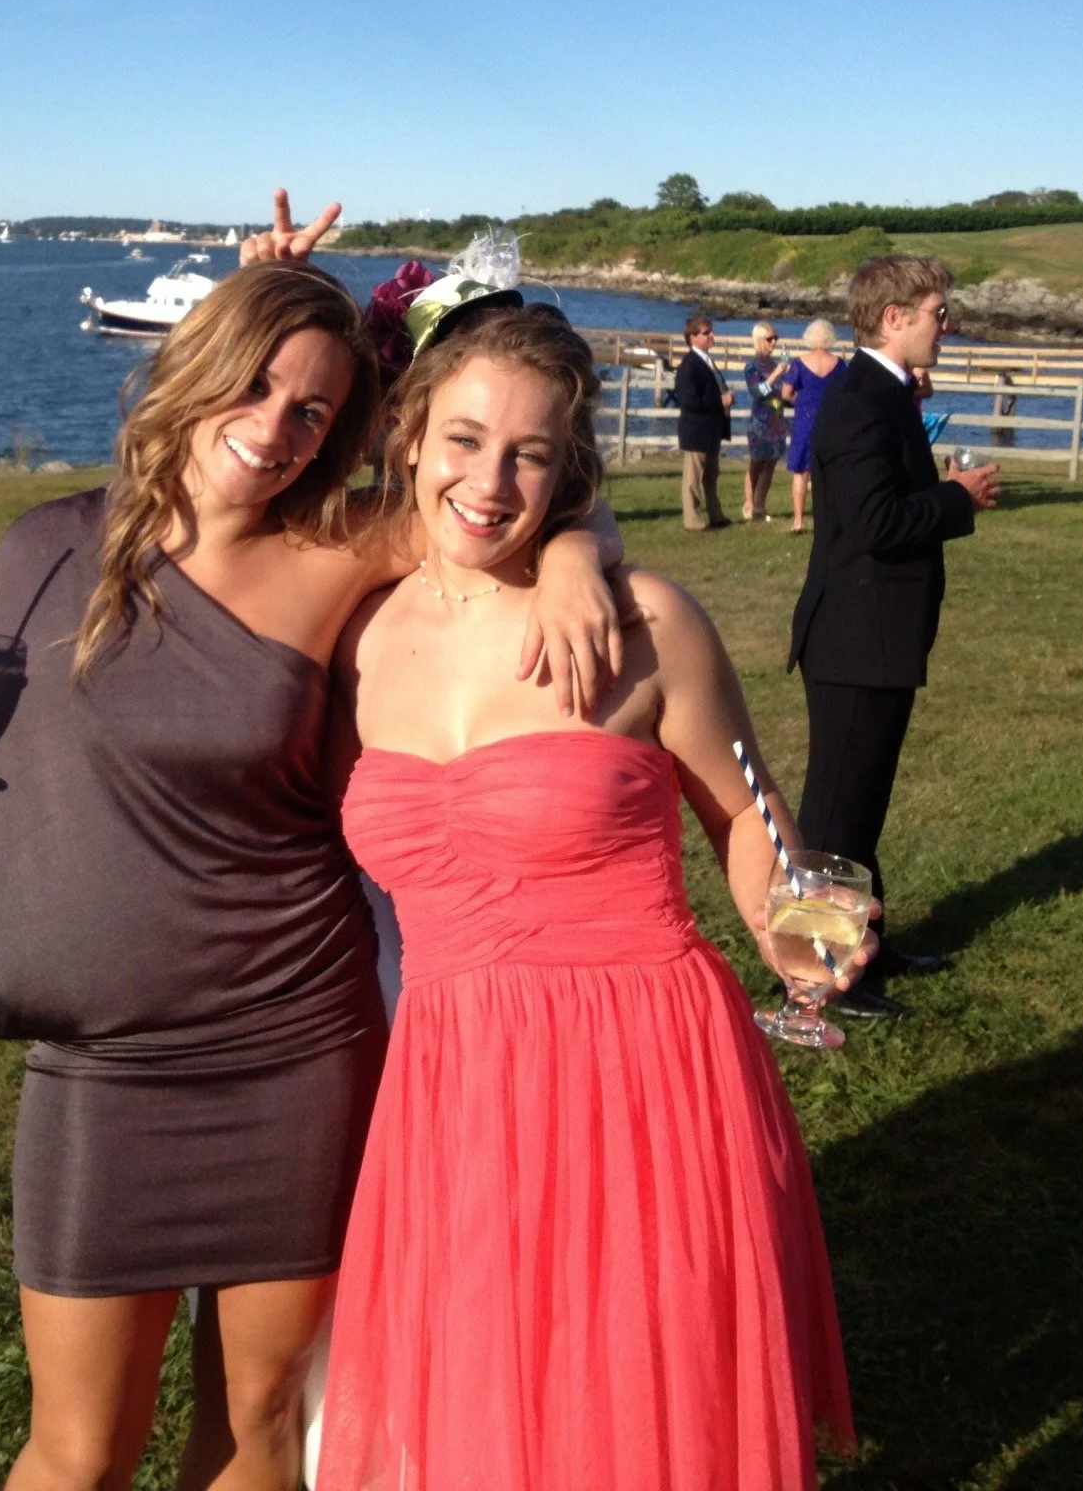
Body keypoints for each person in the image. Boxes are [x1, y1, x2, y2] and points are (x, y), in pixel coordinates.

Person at [0, 208, 625, 1491]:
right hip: (100, 1067)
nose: (276, 426)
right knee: (73, 1449)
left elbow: (502, 501)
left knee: (260, 1427)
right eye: (258, 385)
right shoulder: (46, 548)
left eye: (317, 413)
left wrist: (574, 566)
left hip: (292, 1048)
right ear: (193, 369)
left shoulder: (338, 546)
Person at [317, 300, 866, 1491]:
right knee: (488, 1393)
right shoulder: (356, 626)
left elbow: (748, 816)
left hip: (645, 1062)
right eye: (465, 438)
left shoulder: (645, 620)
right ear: (410, 433)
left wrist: (791, 927)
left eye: (532, 452)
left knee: (646, 1398)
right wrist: (578, 541)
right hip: (456, 1072)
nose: (491, 478)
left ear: (570, 464)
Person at [789, 256, 998, 1022]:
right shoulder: (858, 400)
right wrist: (955, 497)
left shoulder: (887, 393)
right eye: (939, 312)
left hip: (878, 637)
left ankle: (869, 944)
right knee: (837, 815)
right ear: (894, 317)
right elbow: (876, 524)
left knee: (863, 807)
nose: (948, 325)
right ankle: (821, 972)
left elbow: (881, 502)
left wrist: (937, 488)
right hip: (853, 637)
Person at [781, 319, 846, 534]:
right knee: (826, 473)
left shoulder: (799, 364)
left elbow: (785, 393)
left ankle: (798, 520)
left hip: (804, 422)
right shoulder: (839, 363)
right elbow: (846, 392)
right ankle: (825, 519)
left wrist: (799, 397)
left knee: (800, 473)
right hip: (830, 422)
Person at [674, 311, 732, 530]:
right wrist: (720, 401)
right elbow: (689, 400)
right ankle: (693, 521)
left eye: (711, 332)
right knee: (693, 479)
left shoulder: (707, 361)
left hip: (712, 428)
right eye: (706, 333)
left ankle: (716, 515)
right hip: (696, 429)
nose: (711, 336)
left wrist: (725, 399)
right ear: (693, 337)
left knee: (711, 476)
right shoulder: (689, 365)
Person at [742, 321, 789, 520]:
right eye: (770, 339)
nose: (774, 342)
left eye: (775, 338)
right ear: (760, 340)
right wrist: (777, 373)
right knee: (756, 463)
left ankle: (761, 506)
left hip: (776, 421)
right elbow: (757, 392)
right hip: (760, 422)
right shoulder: (752, 366)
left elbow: (783, 392)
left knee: (770, 464)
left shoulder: (775, 364)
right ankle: (749, 504)